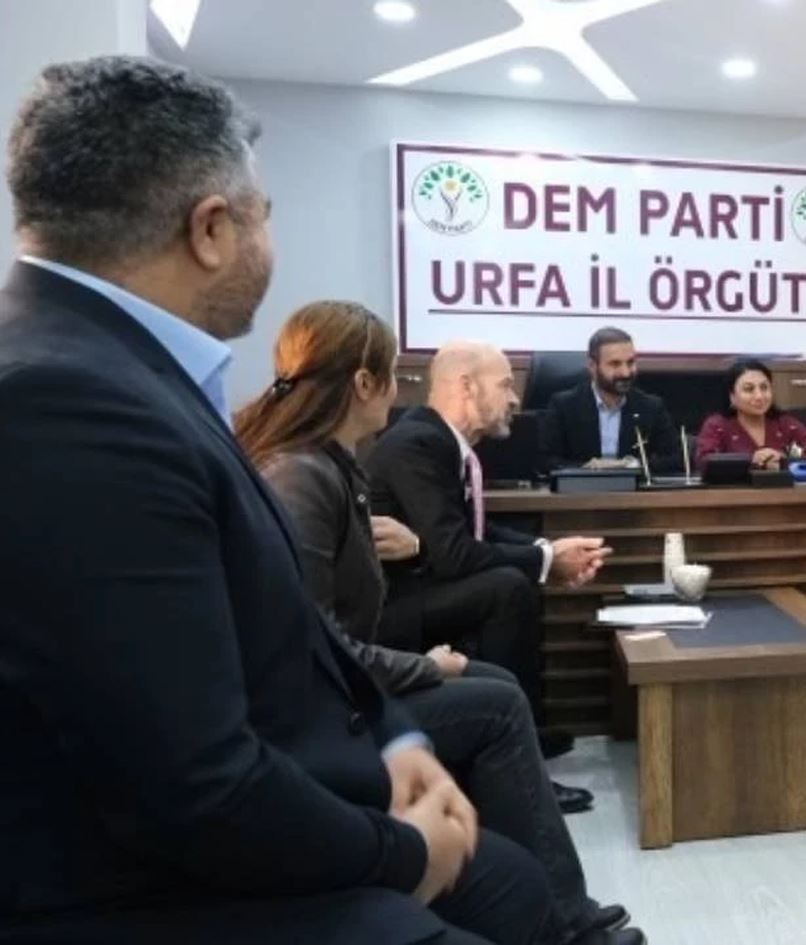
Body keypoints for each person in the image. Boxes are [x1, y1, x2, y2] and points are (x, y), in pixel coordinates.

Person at [0, 55, 549, 944]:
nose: (270, 242)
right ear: (212, 228)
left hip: (263, 788)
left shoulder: (119, 366)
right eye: (266, 214)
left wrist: (399, 739)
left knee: (514, 886)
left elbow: (287, 616)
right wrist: (399, 851)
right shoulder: (65, 402)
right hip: (137, 883)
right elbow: (189, 782)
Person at [234, 301, 641, 945]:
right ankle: (568, 923)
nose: (402, 390)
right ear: (364, 383)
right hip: (325, 714)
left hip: (353, 684)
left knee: (495, 686)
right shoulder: (305, 476)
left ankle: (536, 885)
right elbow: (313, 646)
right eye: (393, 374)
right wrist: (426, 665)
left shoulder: (329, 466)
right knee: (498, 700)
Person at [365, 341, 610, 742]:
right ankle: (517, 733)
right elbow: (453, 553)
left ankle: (524, 725)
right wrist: (545, 561)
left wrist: (546, 549)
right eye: (505, 385)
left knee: (509, 580)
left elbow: (476, 528)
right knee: (506, 588)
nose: (515, 399)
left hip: (426, 585)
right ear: (467, 386)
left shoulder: (439, 440)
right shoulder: (417, 444)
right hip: (395, 607)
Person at [539, 326, 680, 472]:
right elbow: (545, 461)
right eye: (615, 364)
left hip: (634, 486)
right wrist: (588, 469)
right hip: (581, 486)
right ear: (592, 366)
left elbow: (676, 459)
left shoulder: (651, 407)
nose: (625, 373)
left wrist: (628, 465)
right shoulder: (564, 406)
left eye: (630, 362)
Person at [693, 358, 806, 472]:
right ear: (732, 396)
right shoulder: (717, 425)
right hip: (734, 495)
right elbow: (704, 463)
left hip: (784, 494)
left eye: (764, 388)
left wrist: (783, 462)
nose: (759, 396)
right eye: (749, 389)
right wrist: (752, 461)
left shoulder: (786, 424)